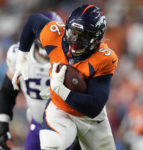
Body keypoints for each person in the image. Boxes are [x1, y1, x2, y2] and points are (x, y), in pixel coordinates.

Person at [12, 4, 118, 150]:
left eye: (83, 37)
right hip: (60, 109)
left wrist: (61, 90)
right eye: (73, 33)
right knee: (51, 144)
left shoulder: (104, 59)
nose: (75, 41)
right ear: (66, 28)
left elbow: (94, 106)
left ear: (97, 38)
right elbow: (33, 20)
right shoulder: (54, 34)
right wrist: (22, 55)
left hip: (90, 118)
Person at [0, 12, 65, 150]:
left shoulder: (69, 60)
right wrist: (3, 123)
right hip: (37, 126)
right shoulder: (19, 55)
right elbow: (7, 91)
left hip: (65, 129)